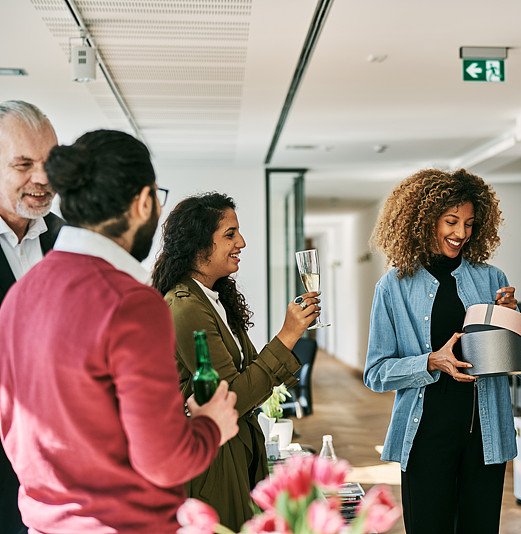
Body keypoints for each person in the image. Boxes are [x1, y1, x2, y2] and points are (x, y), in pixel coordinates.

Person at [0, 130, 240, 534]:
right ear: (145, 201)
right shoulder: (130, 302)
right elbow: (163, 461)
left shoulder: (20, 293)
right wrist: (210, 425)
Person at [363, 168, 521, 534]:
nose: (461, 233)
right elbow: (376, 373)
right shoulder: (392, 287)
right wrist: (430, 362)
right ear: (425, 220)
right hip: (425, 437)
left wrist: (512, 322)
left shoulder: (492, 279)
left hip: (484, 440)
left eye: (470, 224)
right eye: (451, 221)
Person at [151, 192, 319, 530]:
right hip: (214, 463)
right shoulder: (185, 307)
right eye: (230, 234)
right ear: (199, 244)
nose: (241, 242)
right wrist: (288, 336)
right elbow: (232, 398)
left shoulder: (213, 297)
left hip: (237, 452)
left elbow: (252, 373)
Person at [0, 99, 64, 534]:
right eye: (24, 164)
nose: (42, 179)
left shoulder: (70, 240)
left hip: (64, 482)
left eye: (51, 163)